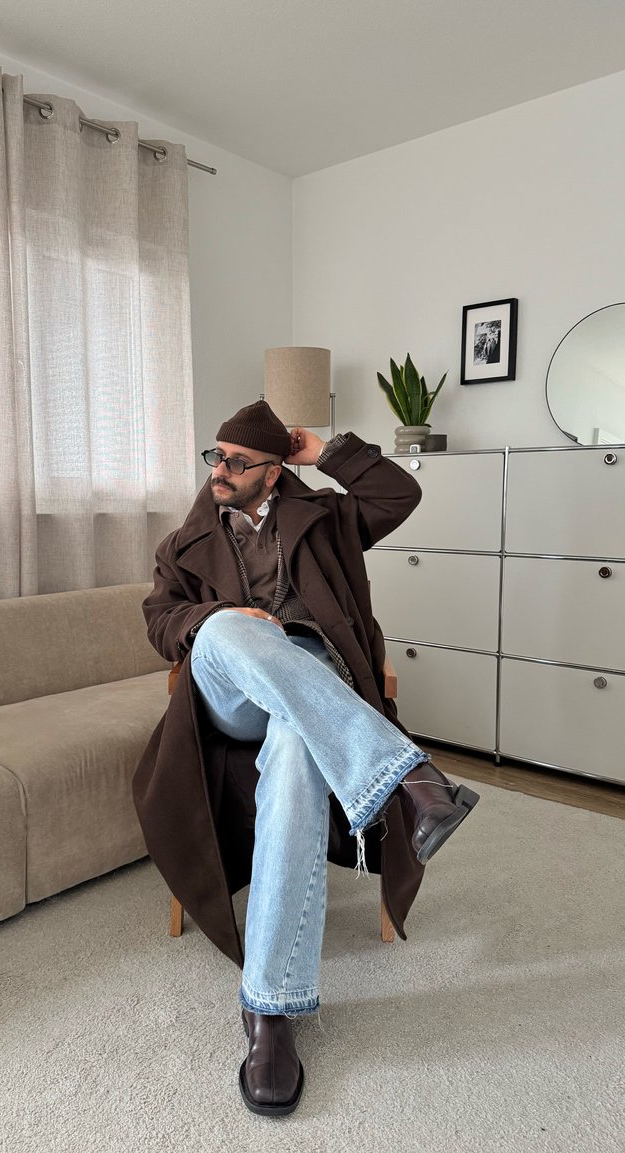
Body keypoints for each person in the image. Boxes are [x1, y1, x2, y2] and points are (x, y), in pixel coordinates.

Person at [132, 400, 479, 1117]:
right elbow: (160, 620)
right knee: (228, 628)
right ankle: (407, 776)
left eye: (237, 461)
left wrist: (325, 450)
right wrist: (209, 619)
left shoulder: (326, 519)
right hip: (227, 694)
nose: (219, 471)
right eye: (215, 457)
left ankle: (271, 1013)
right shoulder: (186, 541)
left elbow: (399, 492)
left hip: (309, 692)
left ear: (273, 469)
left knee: (295, 742)